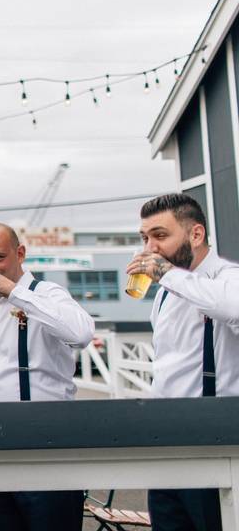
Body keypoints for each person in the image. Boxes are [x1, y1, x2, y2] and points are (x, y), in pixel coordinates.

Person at [0, 222, 94, 531]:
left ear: (20, 253)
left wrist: (14, 292)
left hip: (46, 446)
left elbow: (81, 332)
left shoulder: (47, 293)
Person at [127, 193, 239, 531]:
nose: (150, 247)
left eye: (160, 236)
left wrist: (166, 273)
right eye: (145, 238)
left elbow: (231, 307)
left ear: (196, 234)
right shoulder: (164, 291)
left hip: (216, 441)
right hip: (167, 442)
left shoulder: (227, 276)